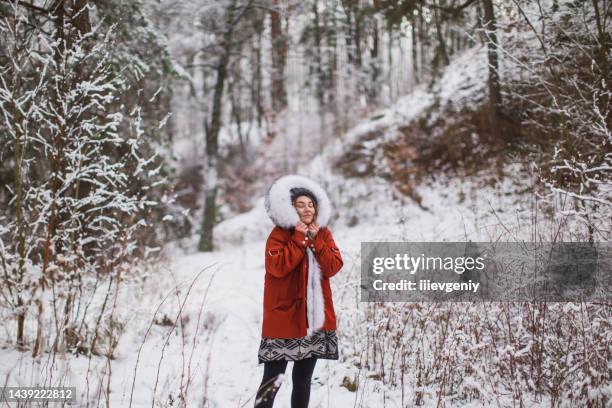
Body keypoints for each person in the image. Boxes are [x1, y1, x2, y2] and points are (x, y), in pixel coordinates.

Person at [254, 175, 344, 408]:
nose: (307, 208)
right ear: (291, 209)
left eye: (311, 204)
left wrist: (316, 241)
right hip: (283, 319)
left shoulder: (323, 233)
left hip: (312, 319)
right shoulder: (279, 235)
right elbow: (278, 267)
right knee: (272, 381)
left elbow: (333, 266)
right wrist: (299, 238)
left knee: (303, 380)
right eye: (300, 204)